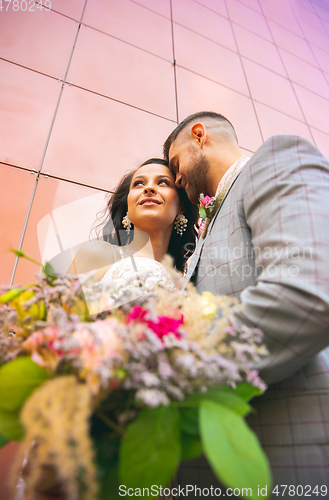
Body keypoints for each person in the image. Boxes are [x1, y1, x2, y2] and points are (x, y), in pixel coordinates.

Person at [163, 111, 329, 492]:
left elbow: (306, 292)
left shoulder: (274, 160)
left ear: (199, 135)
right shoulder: (202, 236)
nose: (175, 179)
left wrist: (175, 375)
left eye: (175, 164)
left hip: (287, 461)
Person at [66, 158, 198, 306]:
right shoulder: (97, 254)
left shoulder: (185, 290)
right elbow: (55, 317)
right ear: (128, 207)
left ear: (181, 207)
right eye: (138, 184)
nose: (148, 189)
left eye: (162, 182)